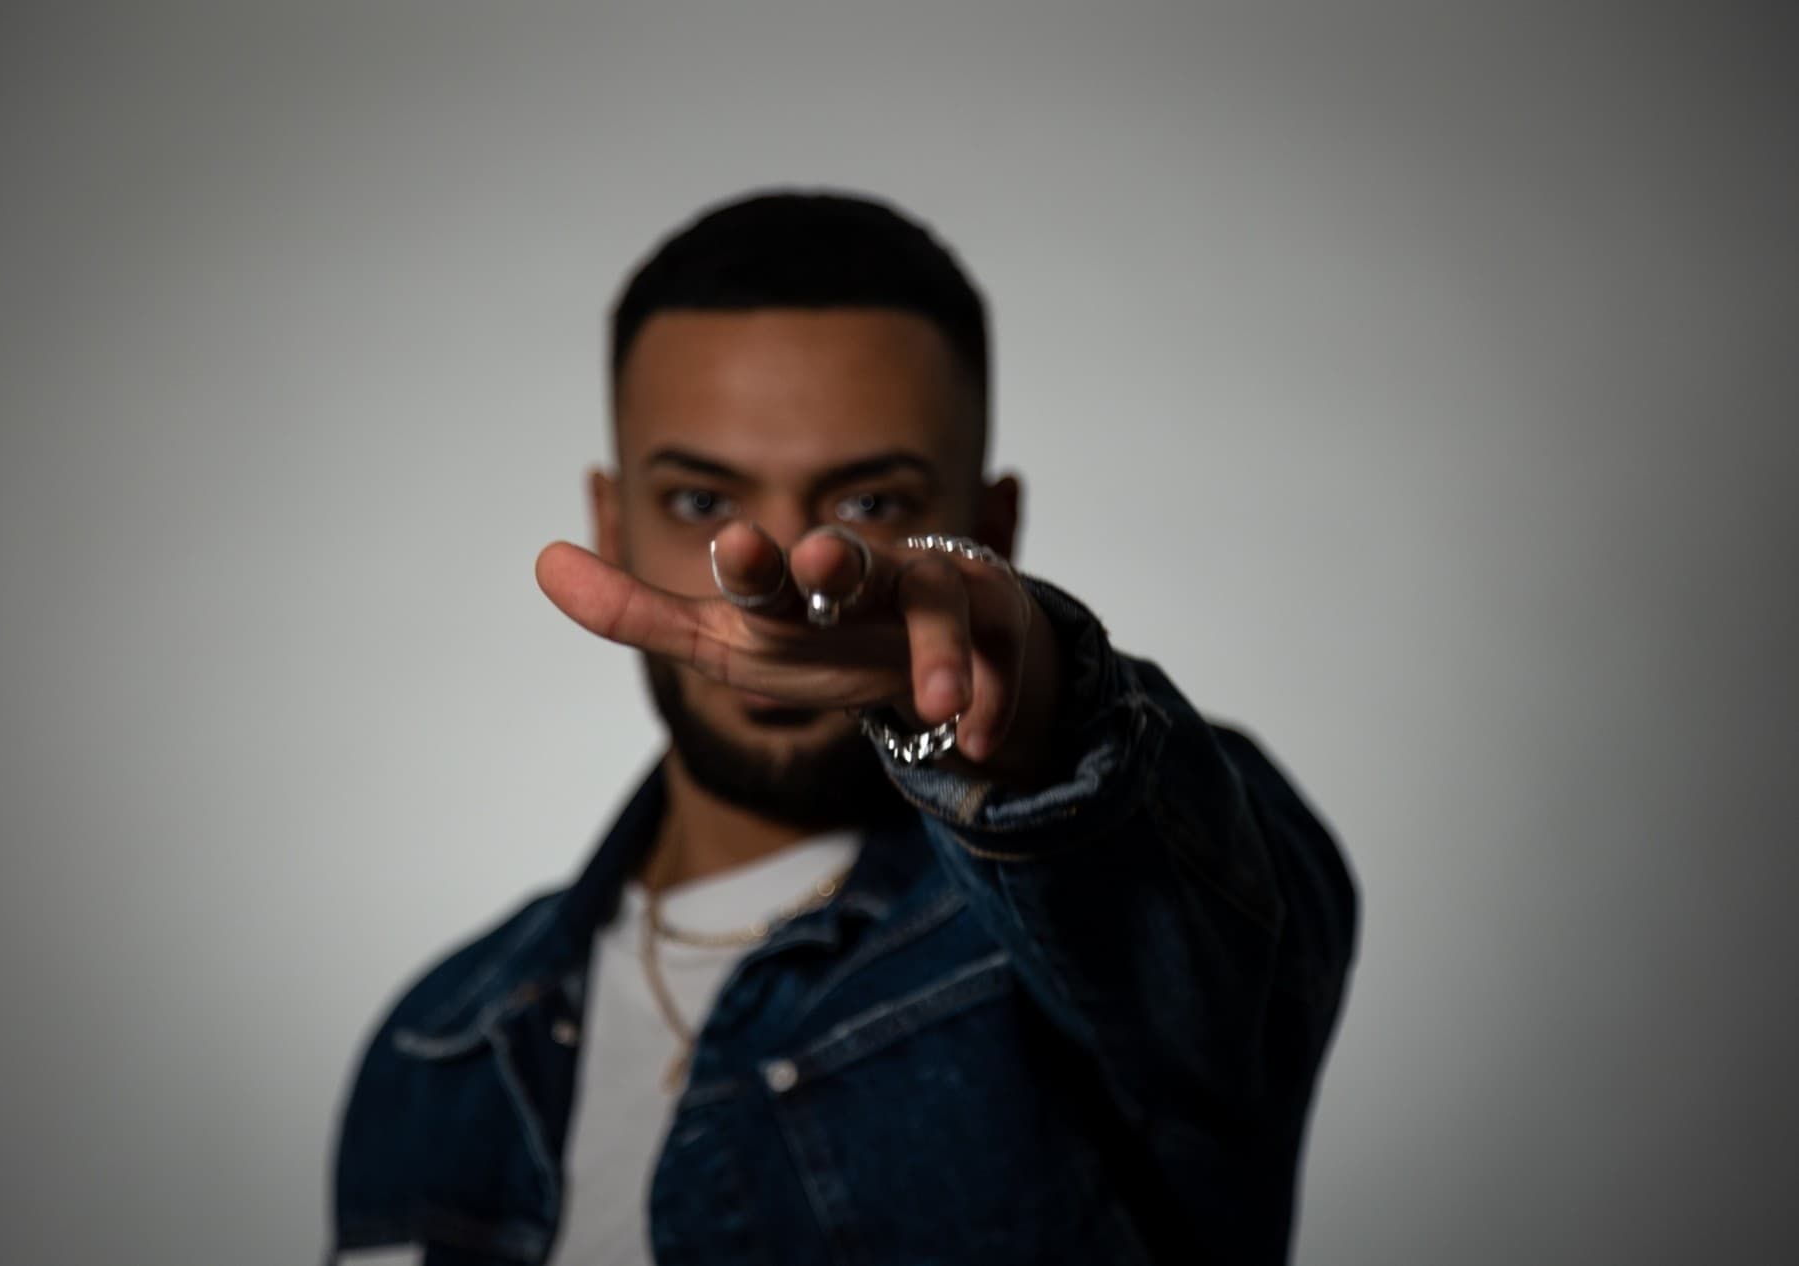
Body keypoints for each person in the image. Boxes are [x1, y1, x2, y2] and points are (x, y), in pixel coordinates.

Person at [329, 190, 1358, 1266]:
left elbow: (1193, 926)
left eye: (871, 504)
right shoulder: (435, 1046)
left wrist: (1039, 715)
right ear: (609, 520)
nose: (777, 579)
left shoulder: (1159, 889)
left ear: (991, 529)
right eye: (699, 502)